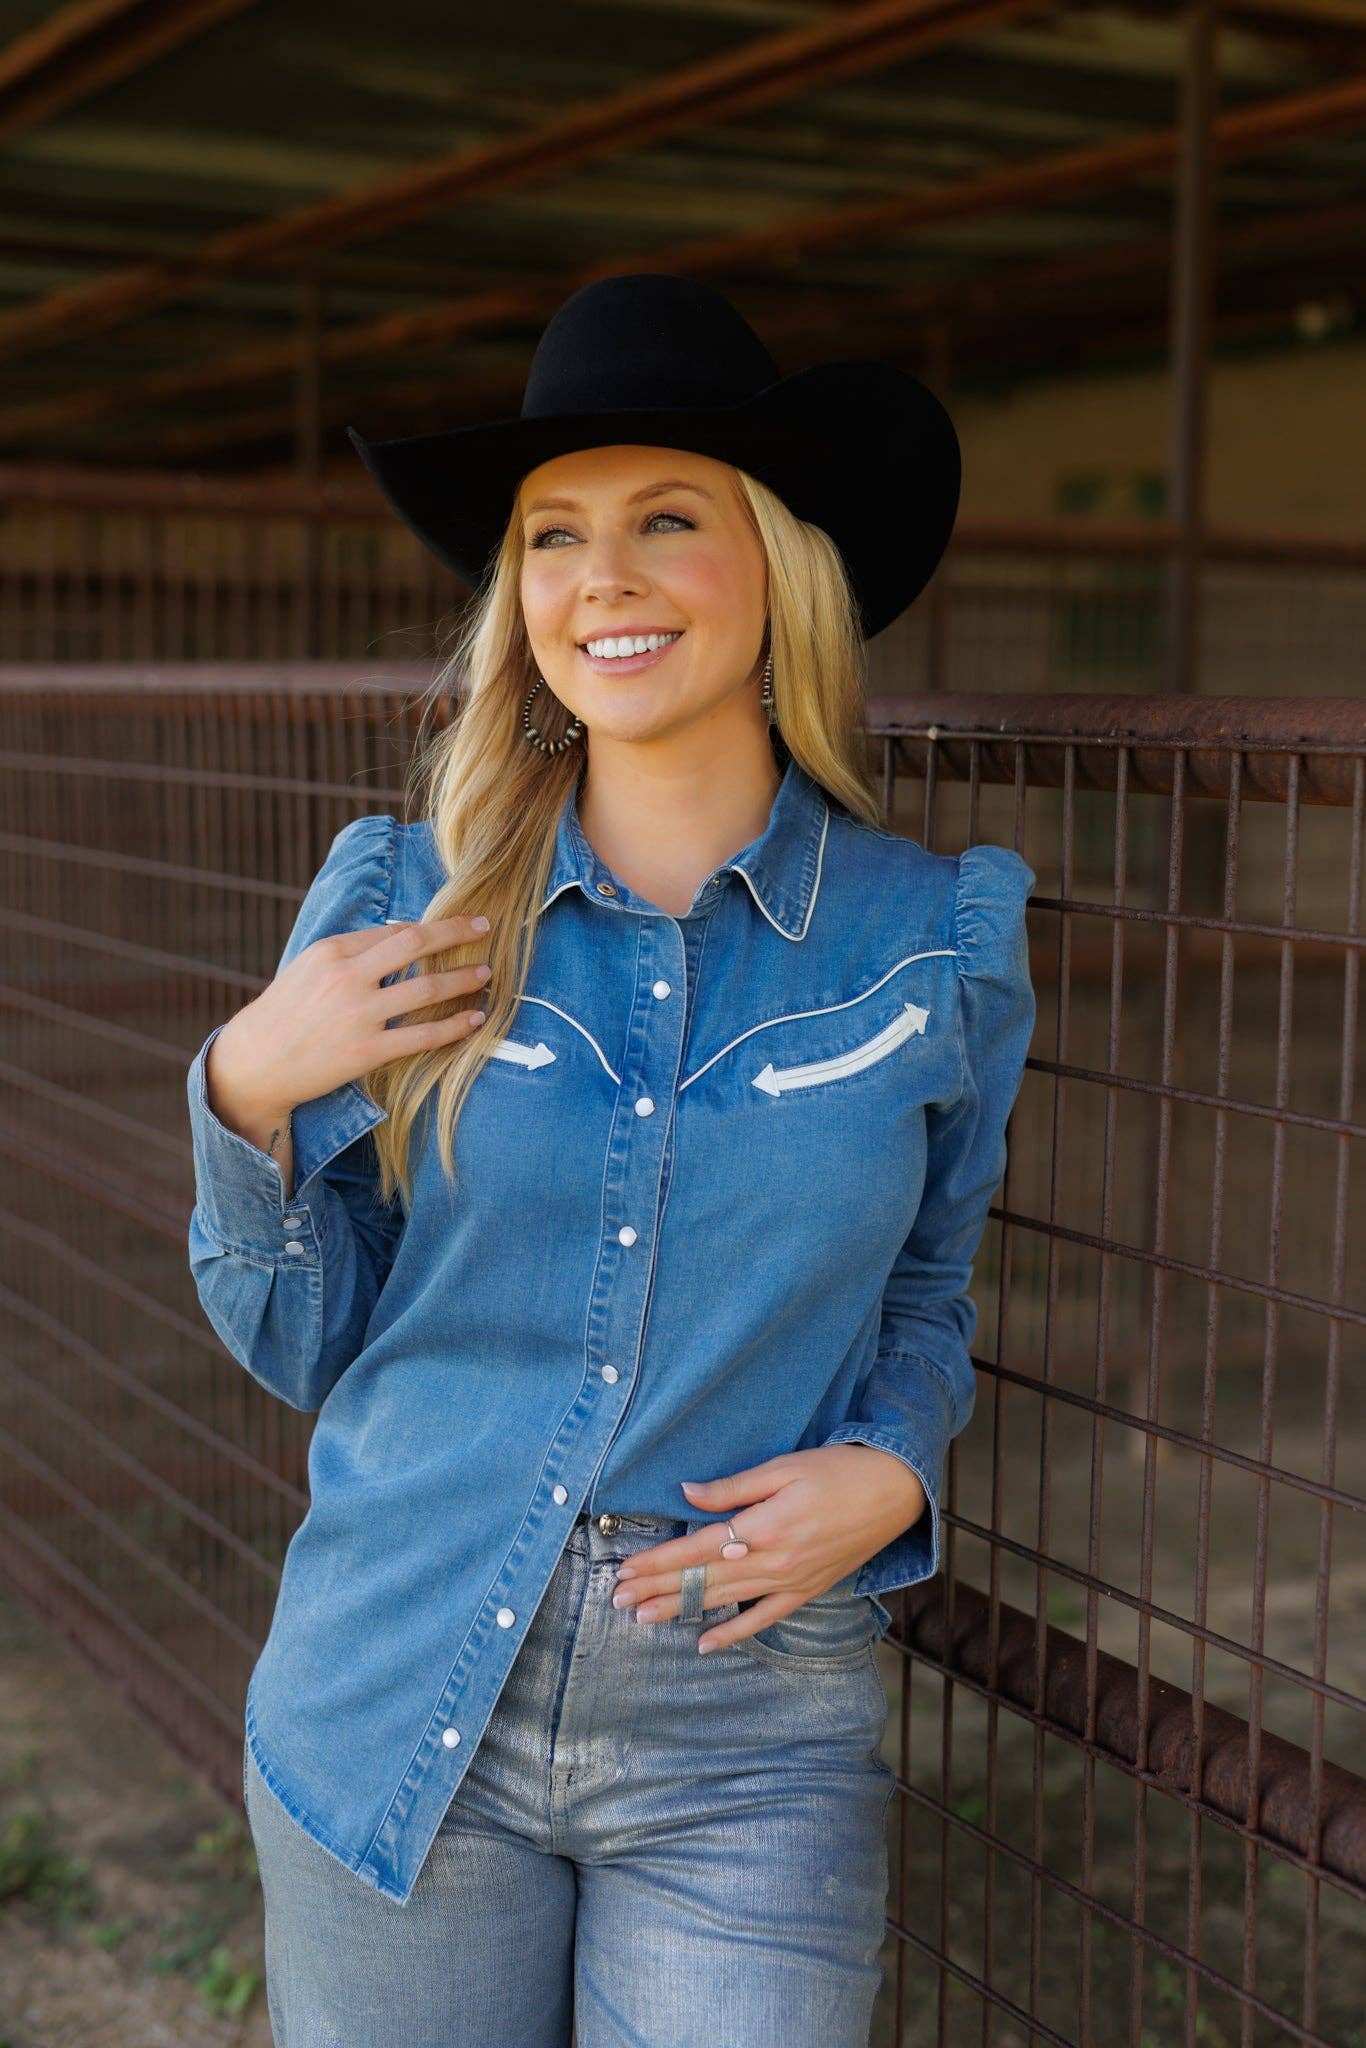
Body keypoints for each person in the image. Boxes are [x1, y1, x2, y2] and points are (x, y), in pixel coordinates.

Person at [185, 272, 1036, 2048]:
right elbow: (299, 1339)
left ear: (782, 567)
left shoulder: (931, 943)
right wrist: (244, 1095)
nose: (604, 578)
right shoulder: (399, 905)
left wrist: (892, 1467)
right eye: (552, 535)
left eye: (667, 517)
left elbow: (928, 1293)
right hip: (400, 1670)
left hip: (745, 1718)